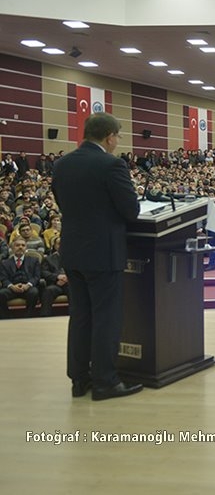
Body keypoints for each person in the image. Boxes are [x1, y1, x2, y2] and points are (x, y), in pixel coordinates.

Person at [51, 112, 142, 401]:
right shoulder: (112, 164)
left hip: (73, 250)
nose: (117, 142)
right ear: (109, 136)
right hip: (104, 251)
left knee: (80, 315)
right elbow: (130, 209)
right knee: (106, 317)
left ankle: (79, 380)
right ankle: (105, 381)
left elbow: (63, 203)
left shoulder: (62, 163)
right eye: (117, 136)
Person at [0, 238, 41, 318]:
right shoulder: (5, 263)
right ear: (12, 248)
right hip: (12, 288)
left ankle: (28, 316)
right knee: (1, 294)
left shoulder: (34, 260)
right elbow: (3, 278)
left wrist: (28, 285)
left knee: (34, 292)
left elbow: (37, 276)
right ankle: (7, 317)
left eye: (23, 245)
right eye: (17, 245)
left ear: (26, 248)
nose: (20, 247)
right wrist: (12, 286)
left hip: (28, 287)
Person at [40, 236, 69, 316]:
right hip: (55, 284)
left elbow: (78, 271)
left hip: (70, 284)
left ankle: (75, 316)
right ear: (55, 246)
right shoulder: (48, 259)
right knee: (48, 291)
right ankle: (45, 316)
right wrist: (57, 277)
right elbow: (44, 272)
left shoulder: (73, 258)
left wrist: (67, 278)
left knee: (76, 291)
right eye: (59, 244)